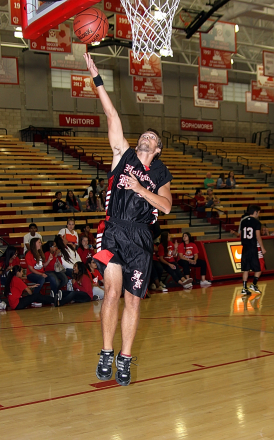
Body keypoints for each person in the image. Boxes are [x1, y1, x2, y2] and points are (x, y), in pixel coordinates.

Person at [84, 52, 173, 386]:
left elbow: (165, 207)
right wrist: (97, 79)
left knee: (133, 301)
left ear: (158, 148)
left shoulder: (162, 173)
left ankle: (124, 358)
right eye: (143, 135)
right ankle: (107, 352)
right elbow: (110, 112)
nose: (145, 137)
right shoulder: (123, 153)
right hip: (114, 229)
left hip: (142, 237)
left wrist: (139, 188)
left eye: (152, 137)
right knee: (111, 291)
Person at [240, 205, 266, 295]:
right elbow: (258, 236)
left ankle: (244, 288)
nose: (258, 214)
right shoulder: (256, 222)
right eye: (258, 212)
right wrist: (262, 247)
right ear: (255, 212)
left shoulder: (243, 221)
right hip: (252, 247)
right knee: (259, 268)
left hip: (245, 247)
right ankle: (254, 284)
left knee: (246, 269)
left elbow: (241, 234)